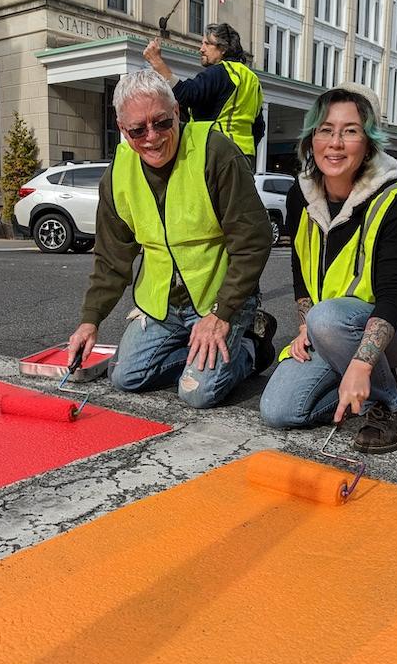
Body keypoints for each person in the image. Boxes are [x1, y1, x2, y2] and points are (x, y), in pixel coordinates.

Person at [66, 69, 276, 409]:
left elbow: (254, 239)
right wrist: (90, 320)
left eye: (162, 122)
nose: (152, 137)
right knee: (125, 376)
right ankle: (201, 348)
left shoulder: (215, 151)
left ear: (177, 112)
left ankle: (251, 346)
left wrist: (222, 313)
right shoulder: (118, 174)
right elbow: (111, 258)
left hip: (217, 299)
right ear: (123, 130)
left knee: (198, 392)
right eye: (138, 129)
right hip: (163, 304)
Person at [259, 83, 397, 453]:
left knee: (329, 319)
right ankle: (346, 368)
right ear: (311, 138)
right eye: (325, 130)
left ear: (370, 142)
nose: (335, 143)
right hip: (334, 323)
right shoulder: (301, 193)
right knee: (279, 410)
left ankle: (391, 403)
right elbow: (300, 264)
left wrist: (362, 365)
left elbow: (394, 294)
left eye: (350, 131)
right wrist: (305, 324)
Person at [144, 23, 265, 169]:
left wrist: (156, 62)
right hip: (245, 157)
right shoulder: (252, 79)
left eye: (207, 44)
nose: (201, 49)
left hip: (218, 153)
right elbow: (258, 127)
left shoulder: (219, 72)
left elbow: (186, 94)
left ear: (224, 49)